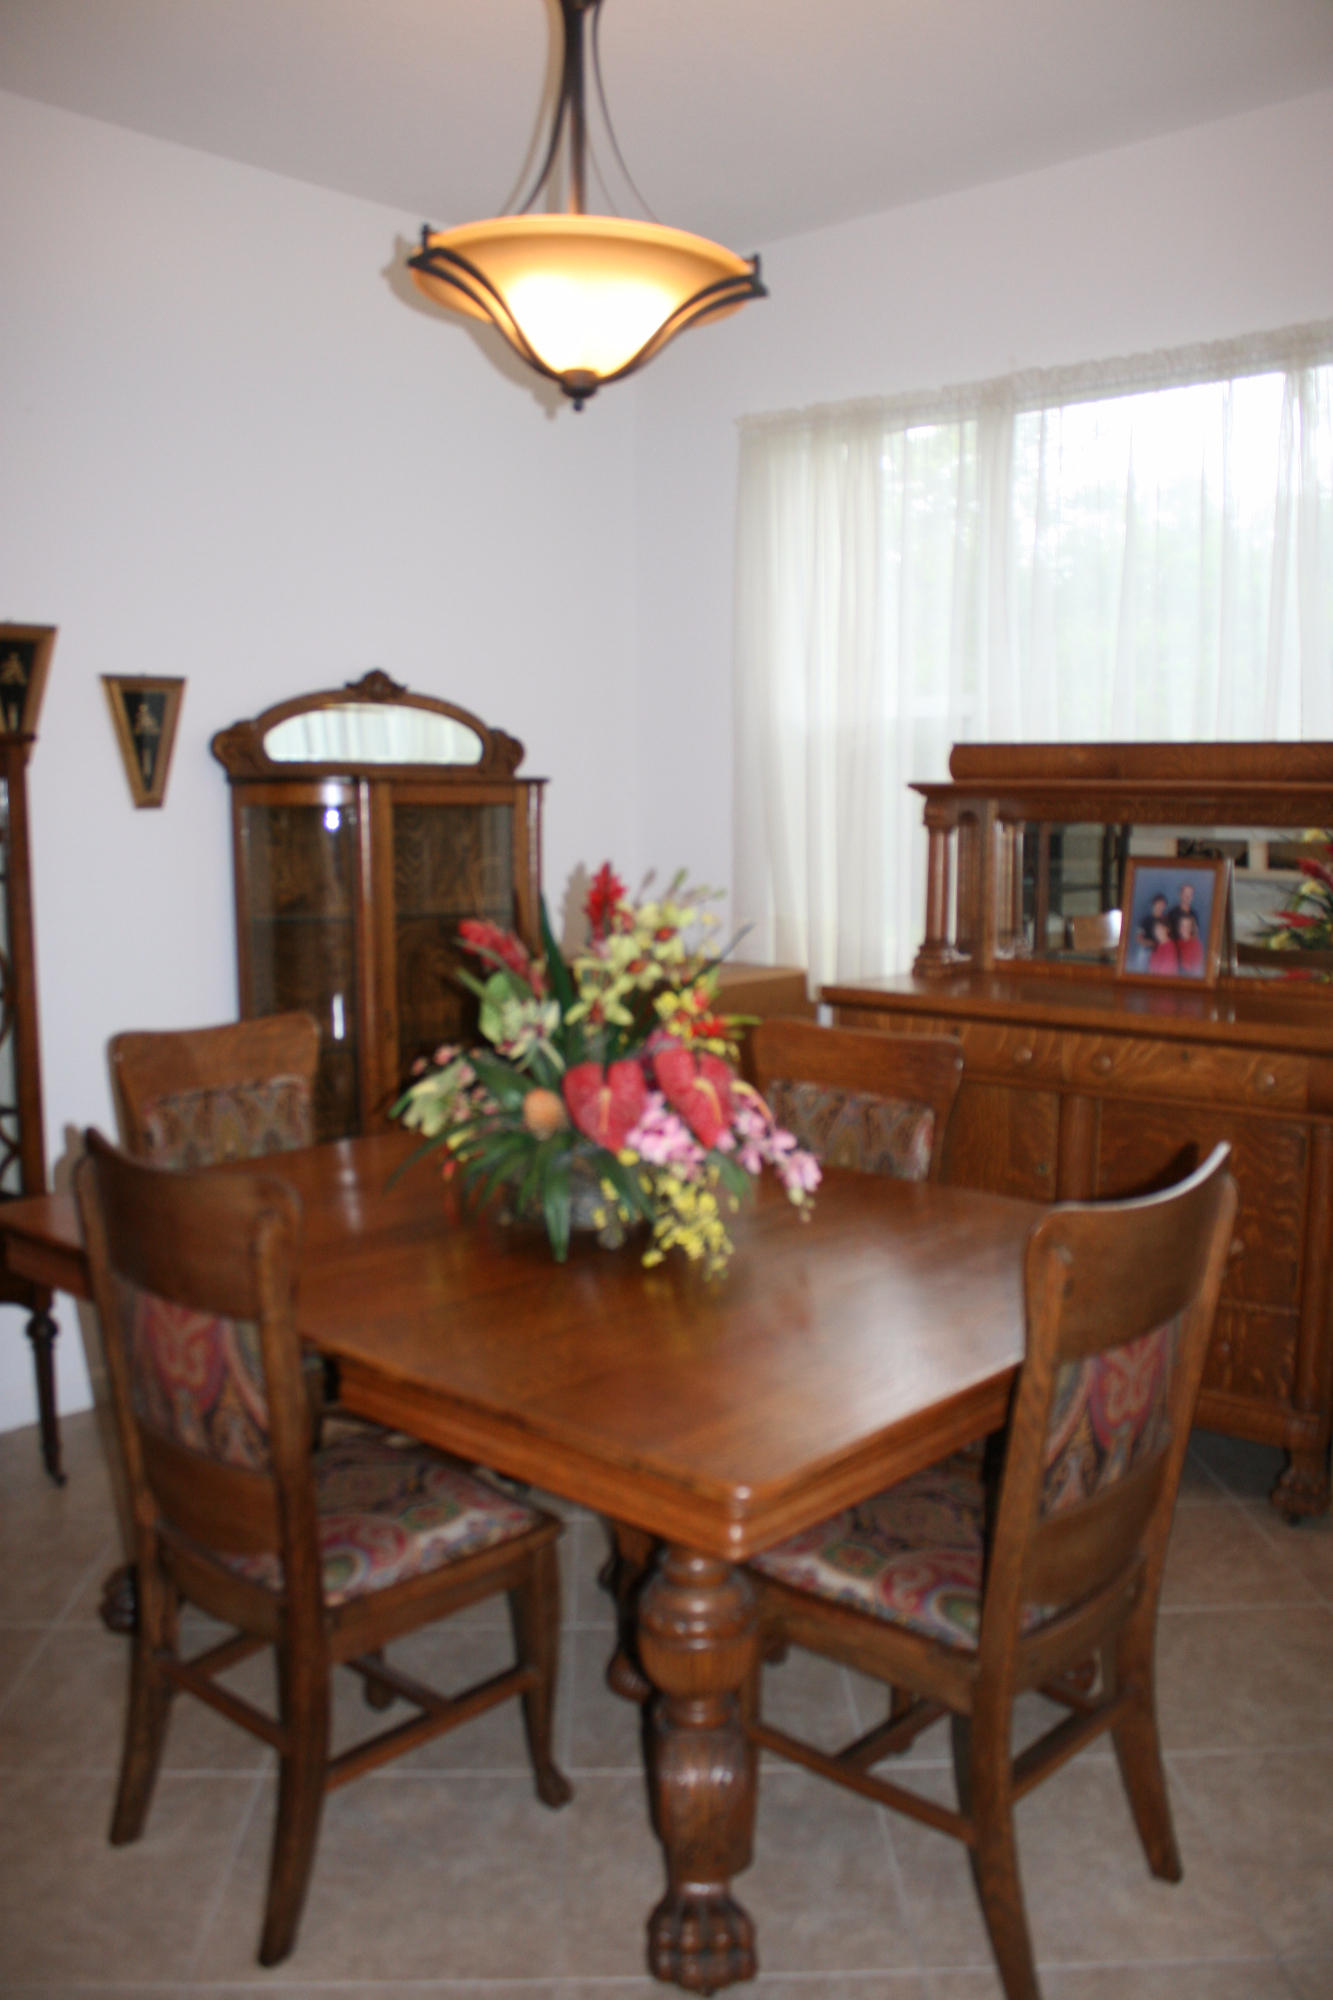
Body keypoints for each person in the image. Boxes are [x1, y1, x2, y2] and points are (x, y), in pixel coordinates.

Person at [1175, 908, 1204, 975]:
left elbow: (1196, 969)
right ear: (1178, 927)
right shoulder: (1176, 943)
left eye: (1187, 926)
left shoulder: (1196, 944)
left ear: (1191, 928)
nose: (1184, 929)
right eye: (1182, 925)